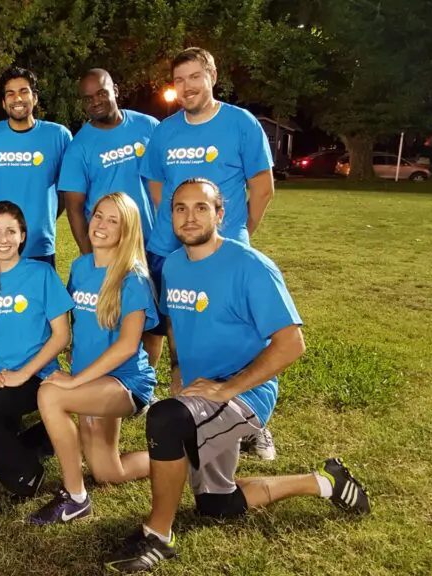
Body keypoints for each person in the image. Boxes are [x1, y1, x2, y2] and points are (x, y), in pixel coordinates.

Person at [103, 179, 370, 573]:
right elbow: (175, 323)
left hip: (245, 394)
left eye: (201, 207)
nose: (189, 217)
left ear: (220, 214)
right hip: (200, 394)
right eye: (180, 208)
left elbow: (292, 344)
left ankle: (159, 535)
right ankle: (323, 482)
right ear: (170, 215)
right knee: (218, 506)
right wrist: (176, 366)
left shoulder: (250, 266)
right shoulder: (174, 266)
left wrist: (229, 387)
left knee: (166, 419)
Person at [141, 48, 278, 459]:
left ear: (212, 75)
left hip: (223, 249)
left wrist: (235, 234)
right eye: (179, 80)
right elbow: (156, 187)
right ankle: (183, 405)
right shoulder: (165, 131)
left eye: (195, 77)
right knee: (179, 331)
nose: (187, 87)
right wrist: (176, 226)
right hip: (169, 250)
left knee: (236, 334)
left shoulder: (240, 124)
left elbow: (263, 188)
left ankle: (254, 420)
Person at [28, 192, 158, 525]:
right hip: (91, 376)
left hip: (125, 382)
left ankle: (75, 498)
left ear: (126, 230)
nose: (101, 224)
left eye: (113, 220)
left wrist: (75, 381)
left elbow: (128, 346)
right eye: (99, 215)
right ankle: (182, 455)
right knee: (108, 471)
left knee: (51, 396)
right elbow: (74, 323)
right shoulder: (81, 266)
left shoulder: (133, 278)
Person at [0, 201, 73, 498]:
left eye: (10, 231)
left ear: (22, 236)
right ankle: (43, 439)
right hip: (1, 379)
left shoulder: (40, 274)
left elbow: (62, 336)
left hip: (37, 376)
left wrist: (23, 373)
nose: (2, 239)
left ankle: (28, 476)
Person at [57, 69, 166, 368]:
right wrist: (89, 253)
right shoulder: (79, 146)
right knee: (113, 316)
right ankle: (112, 374)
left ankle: (146, 378)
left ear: (115, 90)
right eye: (88, 98)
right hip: (112, 245)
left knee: (152, 319)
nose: (96, 102)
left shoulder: (148, 126)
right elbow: (74, 205)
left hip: (152, 241)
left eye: (101, 93)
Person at [0, 66, 72, 268]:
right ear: (3, 102)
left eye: (23, 91)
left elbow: (67, 192)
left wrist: (46, 219)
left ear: (34, 97)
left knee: (40, 299)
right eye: (10, 94)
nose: (17, 99)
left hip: (40, 245)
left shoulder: (58, 137)